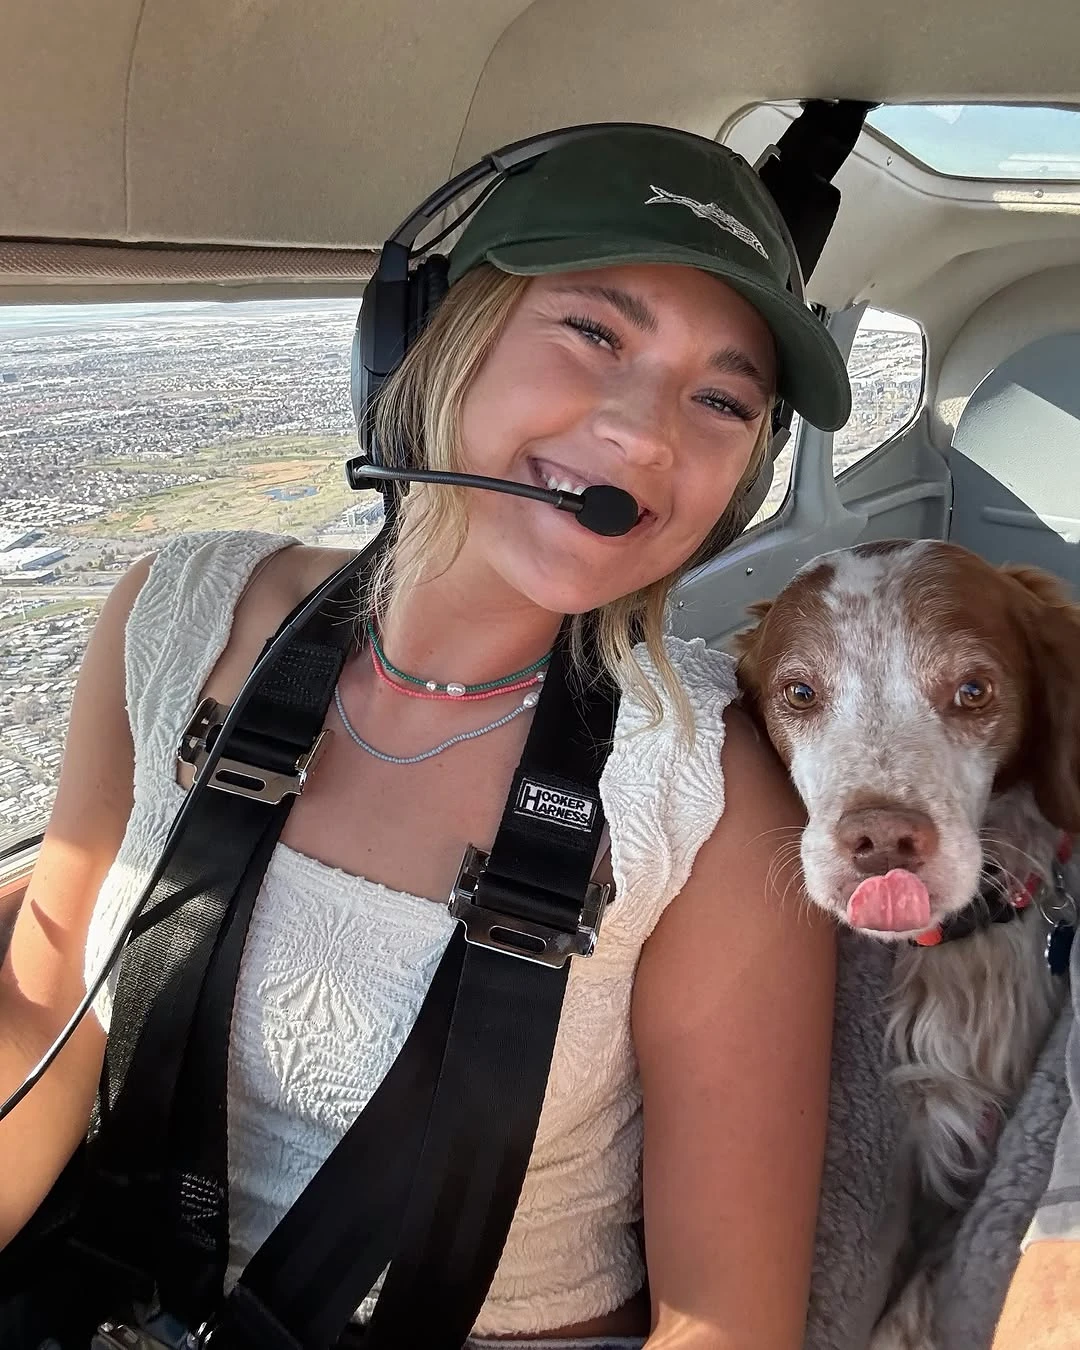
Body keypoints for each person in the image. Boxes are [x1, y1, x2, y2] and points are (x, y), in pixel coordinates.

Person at [0, 126, 851, 1349]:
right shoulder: (173, 613)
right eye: (595, 332)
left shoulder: (713, 797)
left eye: (724, 397)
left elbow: (724, 1324)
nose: (650, 434)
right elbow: (46, 1016)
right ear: (431, 335)